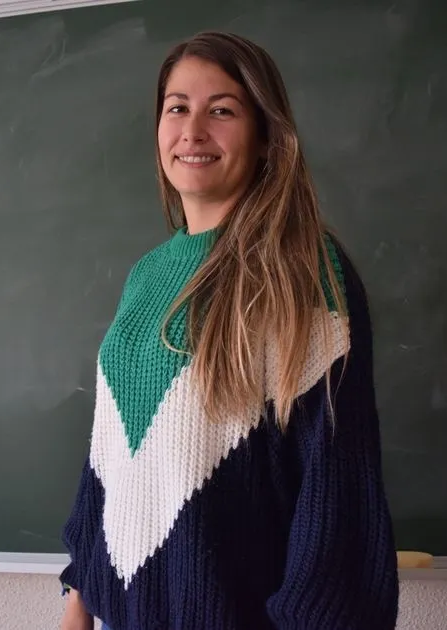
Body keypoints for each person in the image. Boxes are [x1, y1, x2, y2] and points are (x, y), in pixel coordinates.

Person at [58, 31, 399, 630]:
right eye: (177, 108)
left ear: (267, 137)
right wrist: (76, 606)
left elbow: (335, 497)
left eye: (222, 110)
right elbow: (108, 461)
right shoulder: (147, 275)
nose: (192, 130)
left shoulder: (305, 272)